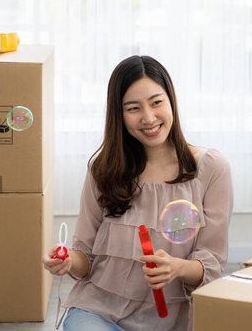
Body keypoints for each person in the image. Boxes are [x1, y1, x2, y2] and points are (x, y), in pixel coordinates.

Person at [42, 55, 233, 331]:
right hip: (100, 311)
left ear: (171, 102)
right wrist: (68, 261)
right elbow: (87, 260)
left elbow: (212, 265)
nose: (148, 118)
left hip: (173, 320)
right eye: (133, 108)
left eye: (156, 103)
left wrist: (177, 267)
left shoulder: (211, 169)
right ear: (119, 115)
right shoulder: (103, 169)